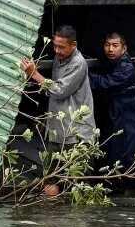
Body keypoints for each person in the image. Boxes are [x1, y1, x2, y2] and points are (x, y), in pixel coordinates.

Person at [21, 25, 96, 194]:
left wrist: (35, 74)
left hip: (77, 135)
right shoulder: (59, 59)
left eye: (61, 47)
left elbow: (60, 90)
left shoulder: (78, 63)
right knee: (50, 180)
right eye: (54, 46)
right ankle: (52, 218)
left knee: (77, 186)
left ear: (73, 45)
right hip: (57, 131)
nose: (57, 50)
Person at [89, 32, 135, 188]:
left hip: (128, 125)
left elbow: (103, 83)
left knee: (129, 167)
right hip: (116, 122)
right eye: (107, 45)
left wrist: (81, 73)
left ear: (124, 48)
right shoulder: (110, 64)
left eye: (115, 45)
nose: (110, 49)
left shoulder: (126, 68)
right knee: (114, 165)